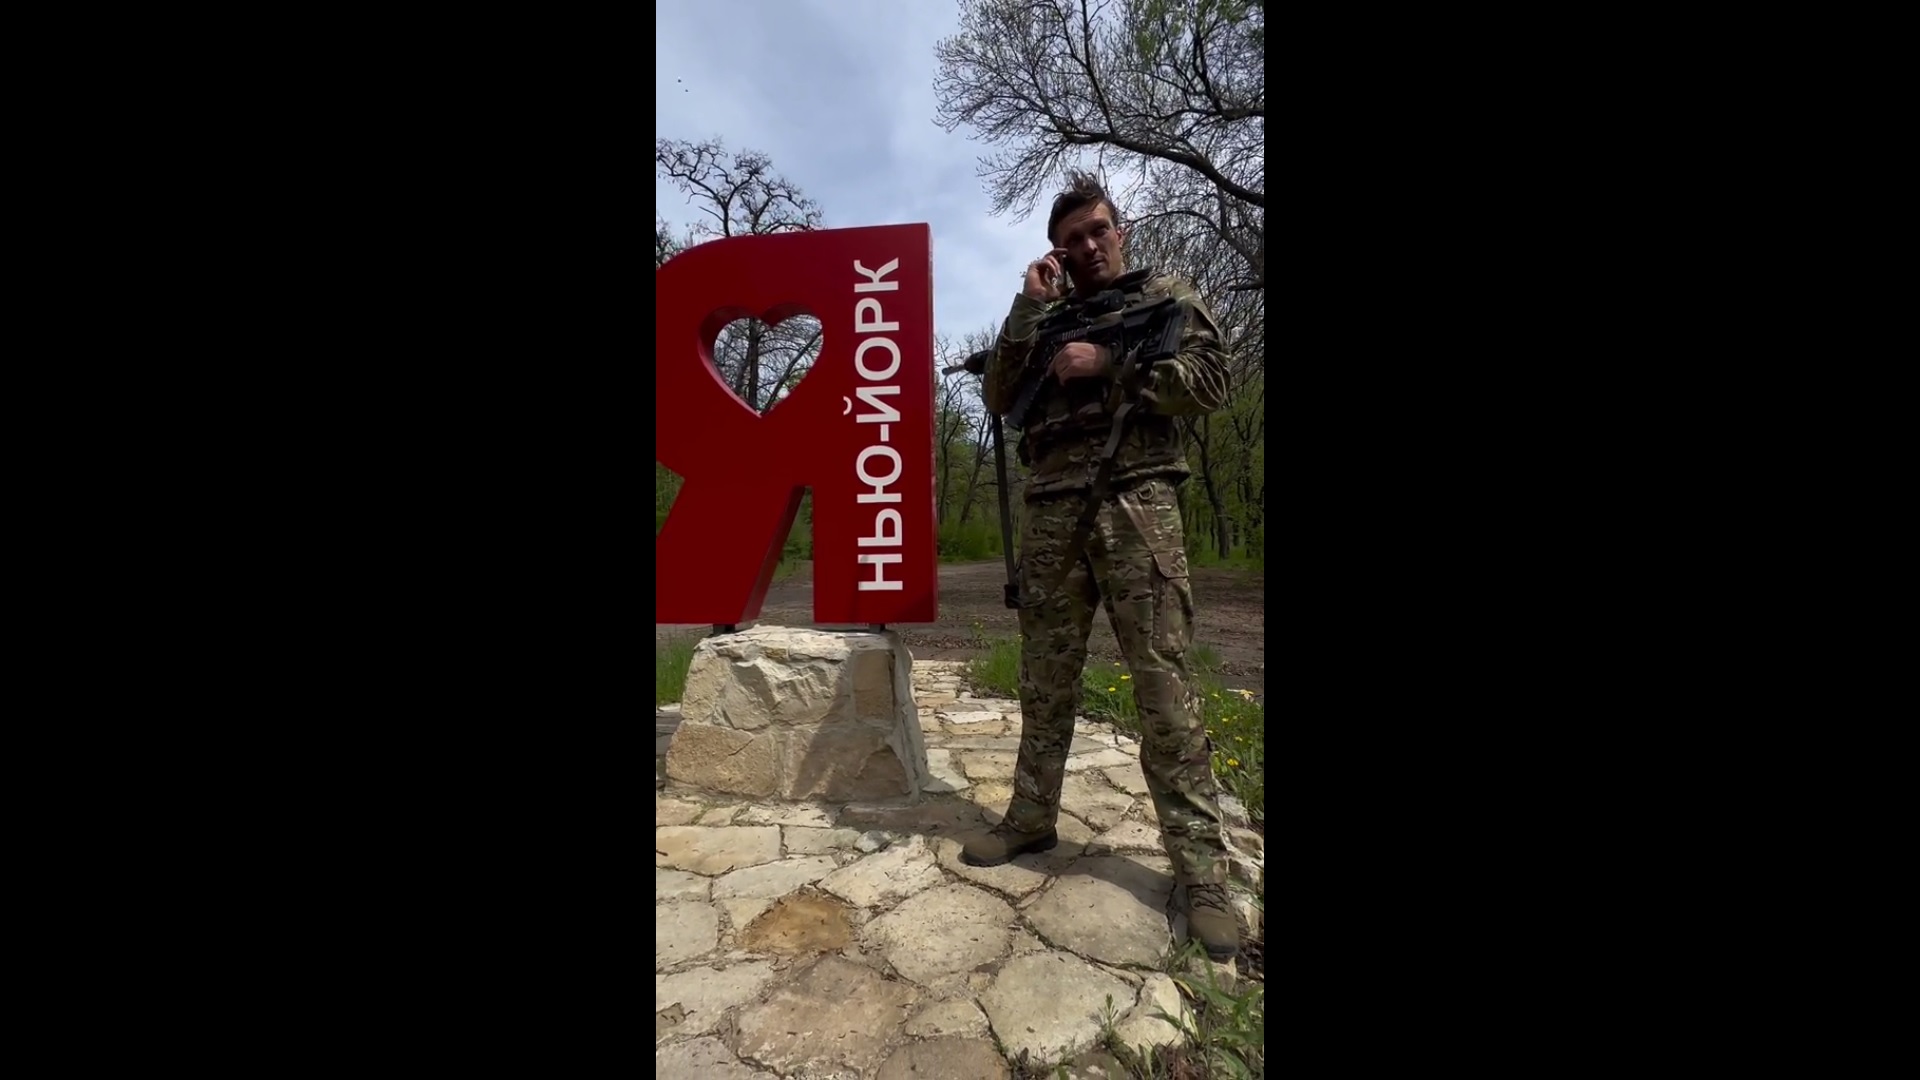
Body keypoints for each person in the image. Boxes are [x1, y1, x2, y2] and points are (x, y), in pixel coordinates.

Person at [962, 171, 1241, 960]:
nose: (1087, 246)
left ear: (1121, 231)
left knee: (1163, 687)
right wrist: (1027, 308)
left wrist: (1110, 364)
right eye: (1070, 239)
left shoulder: (1166, 297)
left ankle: (1202, 875)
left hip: (1136, 503)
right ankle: (1030, 818)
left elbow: (1213, 382)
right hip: (1052, 510)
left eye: (1097, 230)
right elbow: (998, 397)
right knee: (1044, 680)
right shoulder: (1044, 319)